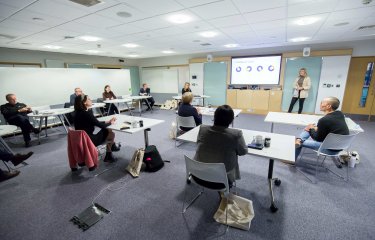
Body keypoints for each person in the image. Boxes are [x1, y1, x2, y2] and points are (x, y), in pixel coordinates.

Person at [194, 105, 248, 186]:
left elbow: (198, 143)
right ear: (231, 120)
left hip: (198, 175)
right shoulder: (236, 134)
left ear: (214, 116)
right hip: (221, 181)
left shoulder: (202, 129)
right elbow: (243, 151)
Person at [295, 97, 349, 161]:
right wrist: (314, 128)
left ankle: (294, 154)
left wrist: (311, 129)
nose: (320, 104)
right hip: (340, 147)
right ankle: (299, 140)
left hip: (328, 149)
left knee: (298, 139)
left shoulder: (324, 120)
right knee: (310, 128)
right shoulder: (340, 114)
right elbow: (328, 128)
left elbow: (317, 139)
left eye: (322, 103)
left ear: (328, 106)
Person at [74, 94, 120, 163]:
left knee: (108, 130)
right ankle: (109, 153)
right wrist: (111, 123)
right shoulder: (87, 113)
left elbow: (94, 122)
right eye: (89, 99)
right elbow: (101, 126)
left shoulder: (77, 113)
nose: (91, 100)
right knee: (111, 133)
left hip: (82, 140)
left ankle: (112, 148)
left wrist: (107, 121)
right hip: (90, 140)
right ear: (84, 102)